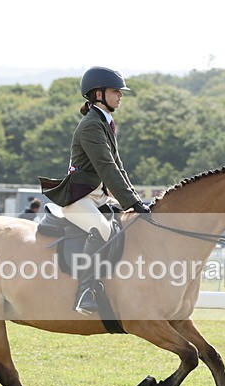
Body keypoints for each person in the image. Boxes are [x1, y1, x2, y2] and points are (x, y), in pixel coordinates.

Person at [40, 66, 149, 315]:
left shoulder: (106, 123)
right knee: (103, 229)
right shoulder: (91, 125)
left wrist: (136, 200)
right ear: (98, 93)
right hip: (78, 196)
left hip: (97, 196)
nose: (120, 95)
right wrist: (131, 201)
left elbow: (118, 166)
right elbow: (106, 166)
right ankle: (85, 291)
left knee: (126, 225)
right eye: (115, 91)